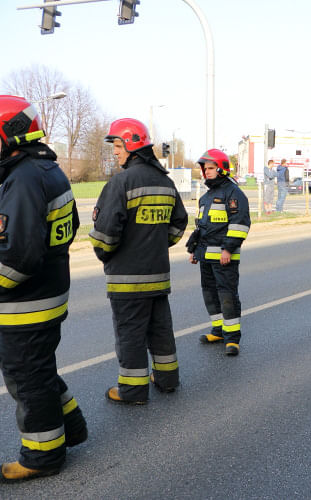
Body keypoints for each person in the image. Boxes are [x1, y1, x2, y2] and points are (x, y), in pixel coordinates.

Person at [0, 95, 87, 482]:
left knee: (27, 379)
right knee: (39, 369)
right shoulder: (46, 170)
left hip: (25, 304)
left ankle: (42, 456)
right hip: (47, 296)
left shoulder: (22, 178)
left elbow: (17, 257)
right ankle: (73, 427)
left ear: (10, 133)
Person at [89, 118, 188, 404]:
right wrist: (156, 244)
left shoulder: (121, 182)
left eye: (118, 146)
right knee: (160, 331)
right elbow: (178, 225)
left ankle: (132, 391)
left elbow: (104, 237)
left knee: (130, 335)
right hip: (158, 276)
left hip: (127, 280)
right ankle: (168, 380)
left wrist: (107, 255)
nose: (115, 152)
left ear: (132, 147)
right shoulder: (165, 182)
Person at [188, 149, 250, 356]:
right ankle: (218, 331)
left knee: (227, 296)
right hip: (206, 256)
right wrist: (195, 251)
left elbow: (239, 224)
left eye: (211, 168)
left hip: (225, 257)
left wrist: (228, 249)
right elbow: (202, 228)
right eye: (205, 169)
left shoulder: (233, 194)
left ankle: (232, 339)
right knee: (210, 294)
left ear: (222, 168)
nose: (207, 172)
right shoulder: (205, 197)